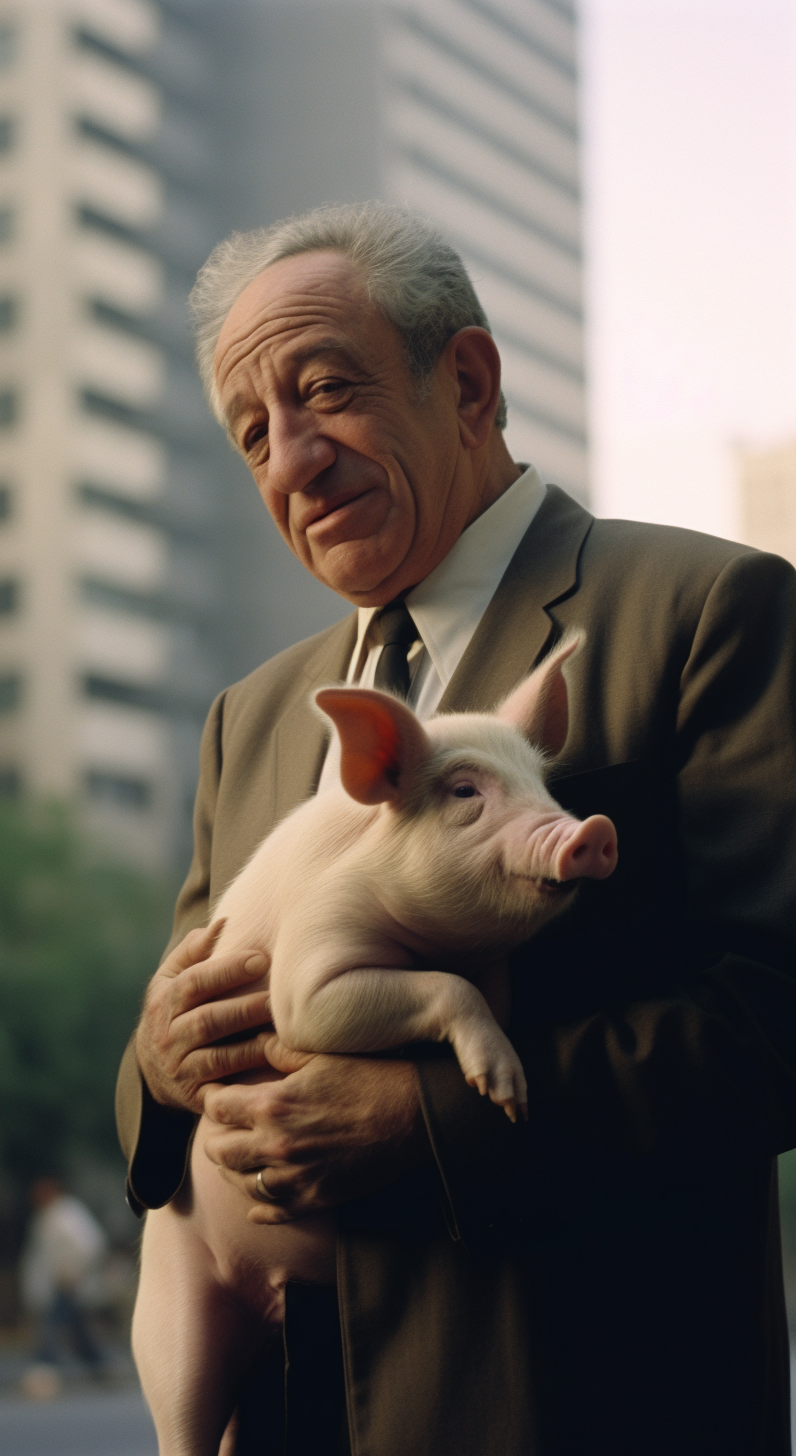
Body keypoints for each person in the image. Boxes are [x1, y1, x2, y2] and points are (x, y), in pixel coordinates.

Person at [116, 201, 796, 1455]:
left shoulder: (710, 610)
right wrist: (156, 1061)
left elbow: (778, 1016)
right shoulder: (252, 718)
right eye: (253, 432)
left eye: (324, 392)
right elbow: (166, 1076)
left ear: (469, 381)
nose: (291, 460)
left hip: (580, 1410)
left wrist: (429, 1117)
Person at [20, 1175, 107, 1396]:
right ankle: (100, 1367)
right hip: (55, 1286)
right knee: (77, 1330)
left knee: (53, 1326)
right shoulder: (48, 1215)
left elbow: (91, 1244)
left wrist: (73, 1271)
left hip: (67, 1285)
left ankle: (44, 1370)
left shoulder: (68, 1214)